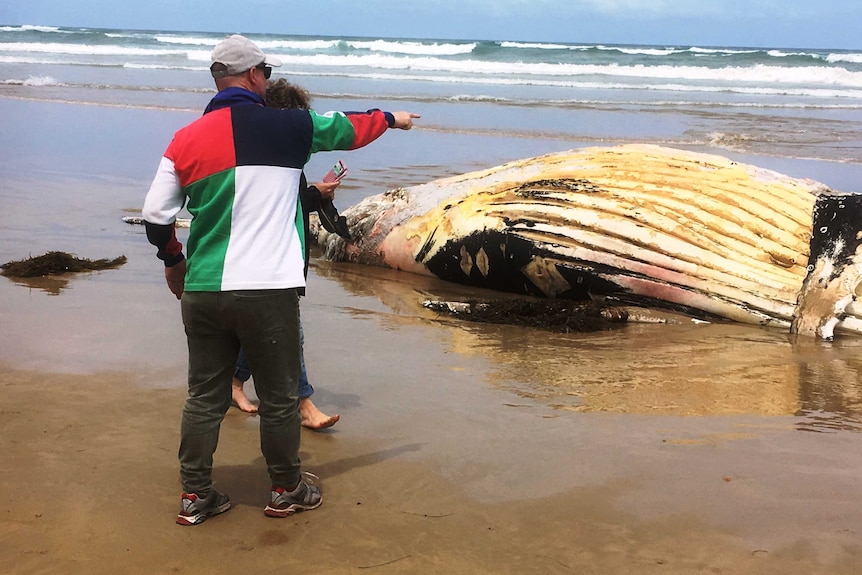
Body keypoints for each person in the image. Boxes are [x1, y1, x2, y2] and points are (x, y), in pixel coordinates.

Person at [142, 34, 419, 526]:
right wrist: (391, 118)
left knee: (203, 398)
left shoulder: (183, 139)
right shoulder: (289, 127)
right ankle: (286, 489)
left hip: (203, 289)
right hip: (267, 289)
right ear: (254, 76)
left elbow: (155, 216)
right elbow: (347, 128)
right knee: (278, 397)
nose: (267, 81)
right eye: (265, 73)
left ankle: (194, 496)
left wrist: (173, 260)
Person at [231, 79, 341, 432]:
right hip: (273, 259)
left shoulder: (275, 151)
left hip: (279, 257)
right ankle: (304, 404)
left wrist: (314, 194)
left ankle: (233, 383)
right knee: (291, 332)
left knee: (261, 327)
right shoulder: (275, 155)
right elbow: (277, 205)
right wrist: (315, 194)